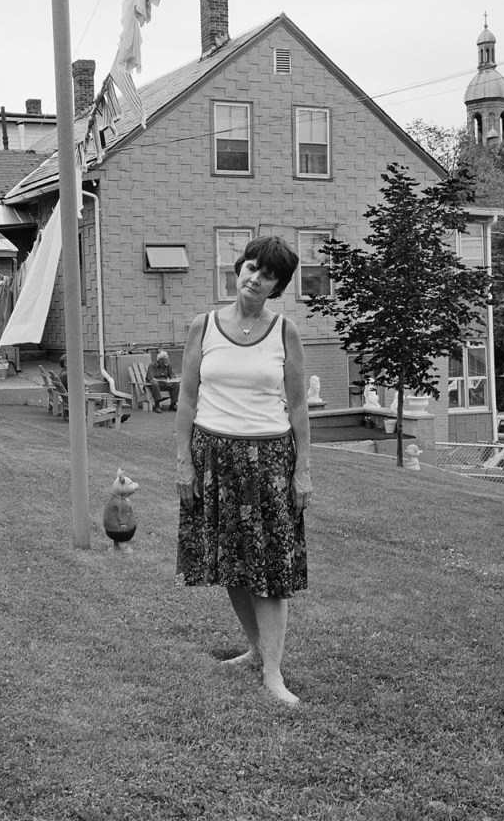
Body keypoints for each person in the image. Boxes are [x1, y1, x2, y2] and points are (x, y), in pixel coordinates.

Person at [173, 235, 313, 706]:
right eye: (251, 267)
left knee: (270, 570)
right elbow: (187, 398)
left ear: (278, 285)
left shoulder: (284, 332)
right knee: (229, 561)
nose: (255, 278)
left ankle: (273, 671)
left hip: (269, 459)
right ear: (238, 269)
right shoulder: (204, 326)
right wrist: (184, 461)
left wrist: (302, 471)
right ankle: (256, 651)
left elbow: (297, 407)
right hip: (213, 456)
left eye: (267, 274)